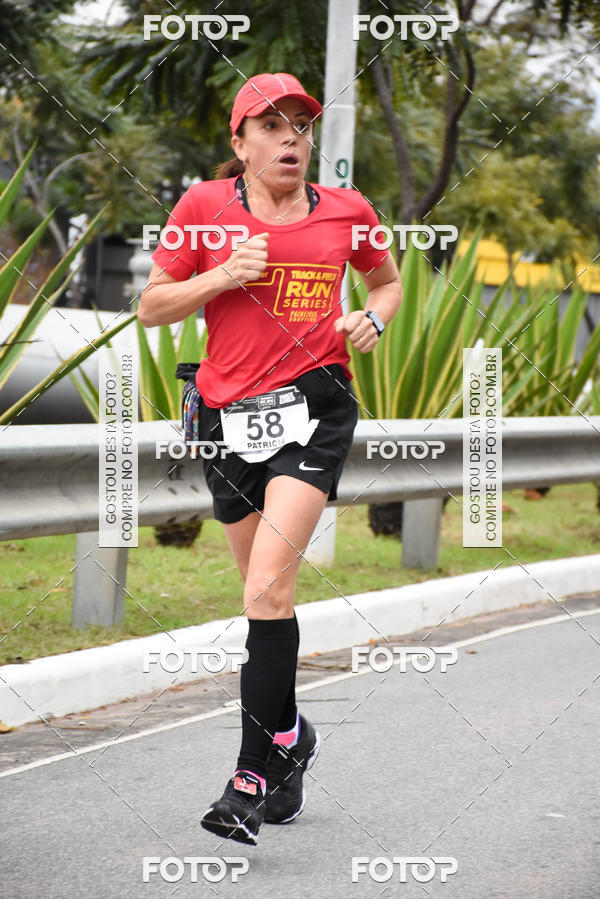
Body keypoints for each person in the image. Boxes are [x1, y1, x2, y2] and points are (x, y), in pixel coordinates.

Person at [137, 72, 403, 846]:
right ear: (240, 142)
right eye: (273, 125)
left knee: (267, 583)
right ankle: (291, 737)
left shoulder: (348, 210)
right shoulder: (201, 208)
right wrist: (222, 275)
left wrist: (372, 321)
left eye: (301, 125)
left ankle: (249, 778)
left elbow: (384, 283)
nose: (291, 138)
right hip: (225, 418)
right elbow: (152, 305)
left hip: (313, 410)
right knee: (265, 601)